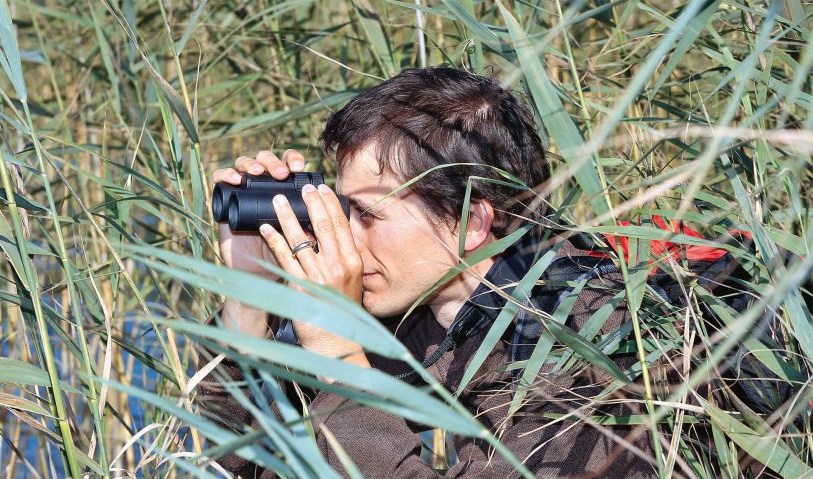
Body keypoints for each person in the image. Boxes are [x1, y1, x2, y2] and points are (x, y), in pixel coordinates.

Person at [199, 67, 658, 478]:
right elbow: (223, 459)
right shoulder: (412, 313)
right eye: (341, 209)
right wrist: (252, 297)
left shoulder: (591, 341)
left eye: (366, 215)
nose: (345, 237)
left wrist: (338, 357)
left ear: (471, 223)